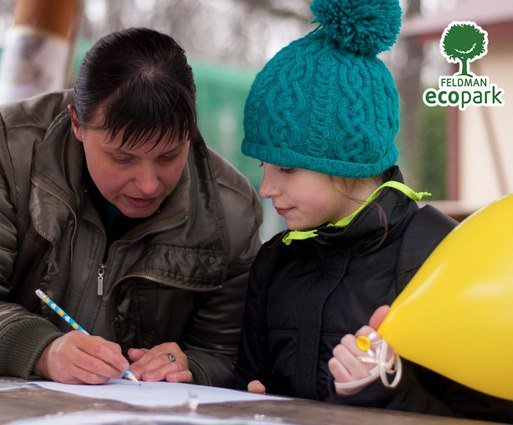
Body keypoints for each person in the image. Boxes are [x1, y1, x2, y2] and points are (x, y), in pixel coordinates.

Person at [233, 0, 513, 422]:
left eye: (287, 168)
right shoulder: (276, 261)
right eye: (263, 166)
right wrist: (254, 398)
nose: (267, 187)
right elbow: (248, 379)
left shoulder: (438, 258)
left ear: (347, 161)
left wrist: (388, 389)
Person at [0, 27, 262, 387]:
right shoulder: (9, 151)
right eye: (122, 158)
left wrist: (190, 367)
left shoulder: (231, 210)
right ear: (77, 122)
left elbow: (227, 353)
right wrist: (42, 349)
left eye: (169, 155)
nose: (149, 184)